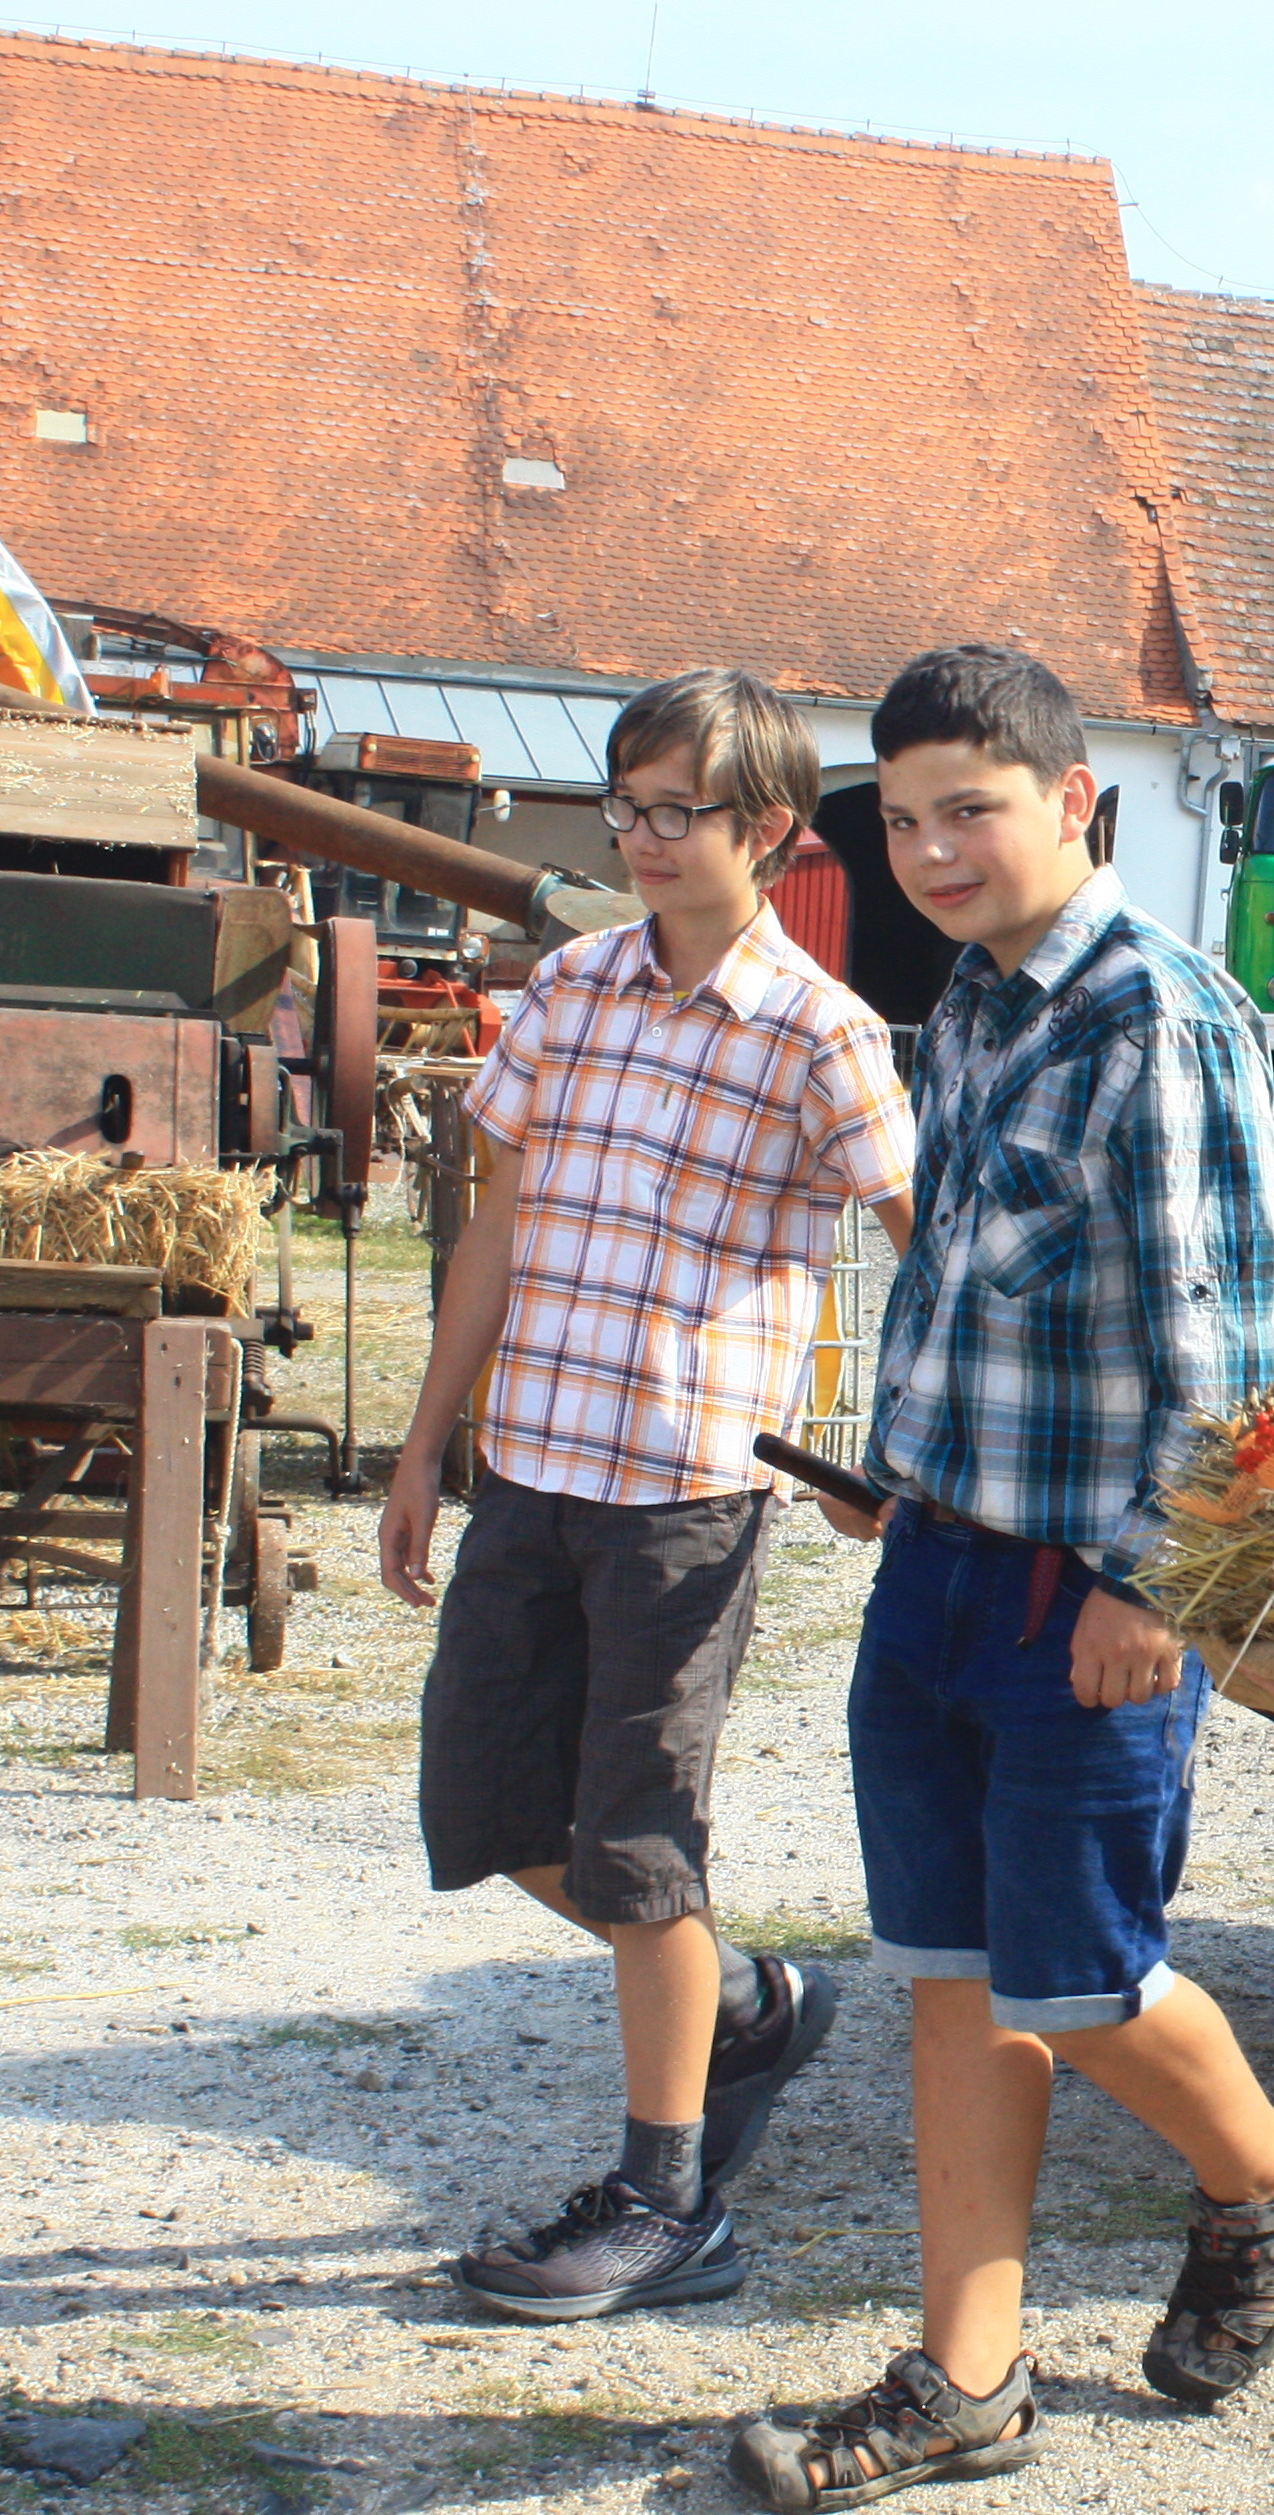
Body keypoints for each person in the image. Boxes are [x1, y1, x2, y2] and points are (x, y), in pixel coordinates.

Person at [729, 642, 1274, 2515]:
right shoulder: (977, 1000)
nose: (929, 850)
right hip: (936, 1562)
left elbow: (1236, 1358)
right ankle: (967, 2379)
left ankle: (1262, 2172)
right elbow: (968, 1278)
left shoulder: (1157, 1017)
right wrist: (897, 1466)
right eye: (904, 817)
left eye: (970, 811)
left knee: (1076, 1986)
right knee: (946, 1975)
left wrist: (1151, 1584)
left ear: (1078, 802)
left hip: (1088, 1592)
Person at [383, 669, 915, 2319]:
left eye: (677, 809)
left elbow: (931, 1249)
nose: (643, 836)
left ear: (767, 829)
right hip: (530, 1468)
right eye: (625, 806)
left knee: (632, 1848)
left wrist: (897, 1445)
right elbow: (498, 1228)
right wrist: (423, 1438)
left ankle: (664, 2199)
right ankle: (747, 1999)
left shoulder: (822, 1032)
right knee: (480, 1812)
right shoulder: (569, 989)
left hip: (685, 1500)